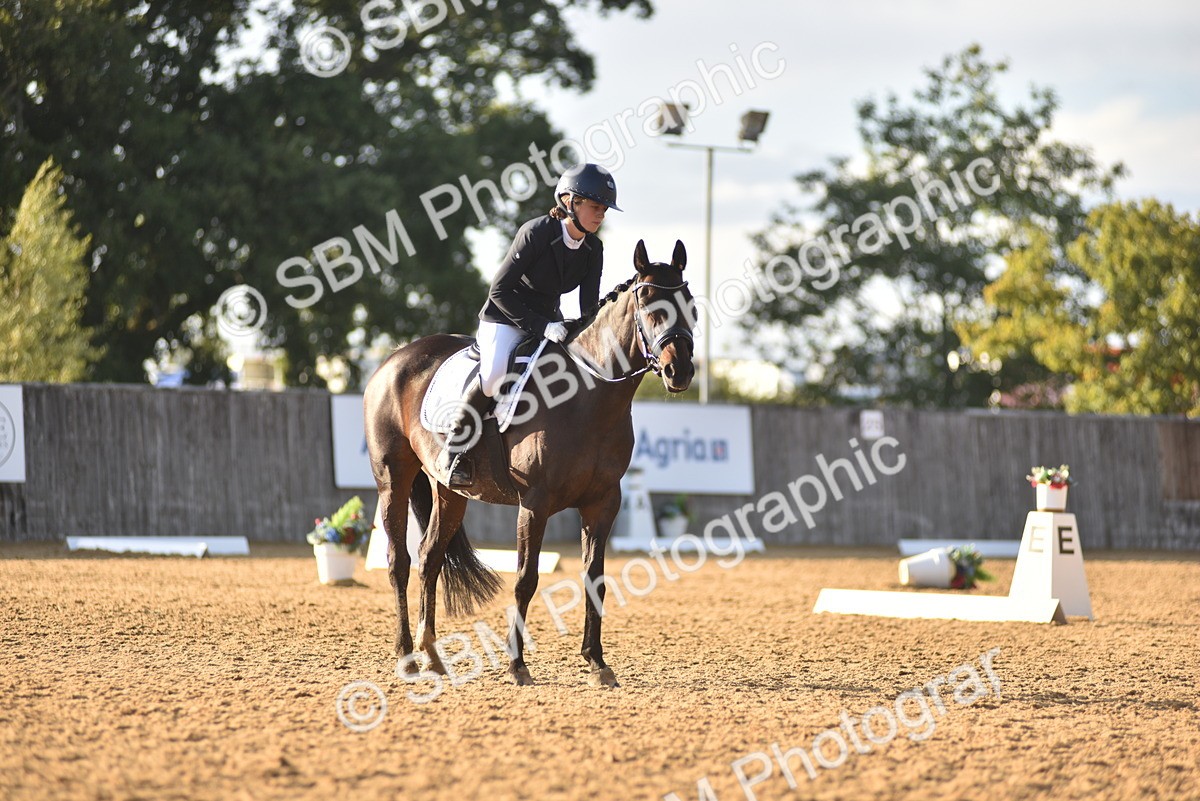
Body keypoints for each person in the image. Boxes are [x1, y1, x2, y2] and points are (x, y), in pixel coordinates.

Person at [438, 163, 621, 487]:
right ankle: (454, 448)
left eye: (604, 209)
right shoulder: (537, 233)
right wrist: (542, 326)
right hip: (505, 316)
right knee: (494, 376)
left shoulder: (593, 248)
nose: (601, 215)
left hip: (549, 321)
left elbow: (588, 306)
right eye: (595, 206)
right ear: (569, 201)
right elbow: (499, 290)